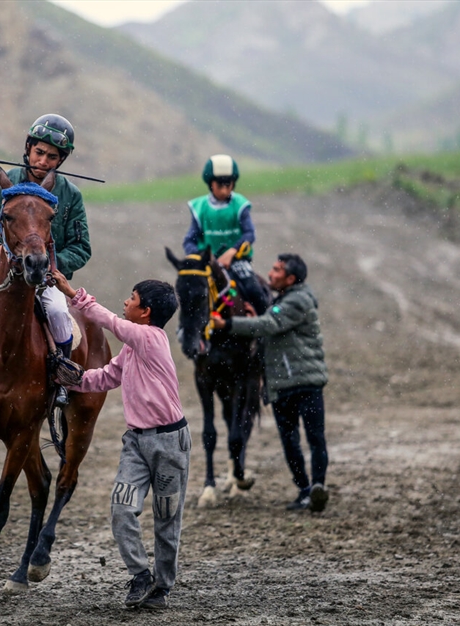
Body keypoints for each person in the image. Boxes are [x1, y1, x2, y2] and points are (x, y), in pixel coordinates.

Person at [51, 268, 188, 611]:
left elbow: (109, 321)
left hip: (170, 445)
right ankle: (141, 575)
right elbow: (106, 377)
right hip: (136, 445)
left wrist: (72, 293)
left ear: (146, 312)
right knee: (122, 509)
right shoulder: (131, 348)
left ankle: (161, 588)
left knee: (166, 518)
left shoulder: (150, 338)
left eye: (132, 299)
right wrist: (72, 379)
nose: (126, 303)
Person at [0, 114, 91, 408]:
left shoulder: (71, 196)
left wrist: (48, 263)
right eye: (39, 152)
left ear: (61, 160)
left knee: (59, 315)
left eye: (52, 157)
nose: (43, 161)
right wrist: (0, 251)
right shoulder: (3, 185)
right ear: (28, 148)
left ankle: (60, 383)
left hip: (45, 278)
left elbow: (81, 248)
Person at [211, 253, 330, 513]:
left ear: (291, 278)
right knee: (292, 442)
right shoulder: (282, 301)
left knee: (312, 438)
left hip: (305, 383)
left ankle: (316, 486)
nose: (271, 274)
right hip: (281, 384)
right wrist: (255, 318)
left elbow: (269, 324)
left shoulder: (298, 300)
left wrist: (227, 324)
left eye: (277, 270)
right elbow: (270, 326)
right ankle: (306, 490)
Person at [183, 154, 269, 314]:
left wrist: (232, 252)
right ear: (211, 184)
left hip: (237, 261)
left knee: (255, 292)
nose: (224, 190)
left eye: (228, 185)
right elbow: (189, 241)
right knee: (189, 295)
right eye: (219, 185)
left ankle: (265, 324)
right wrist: (202, 257)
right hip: (208, 265)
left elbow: (249, 233)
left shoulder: (240, 205)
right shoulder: (199, 207)